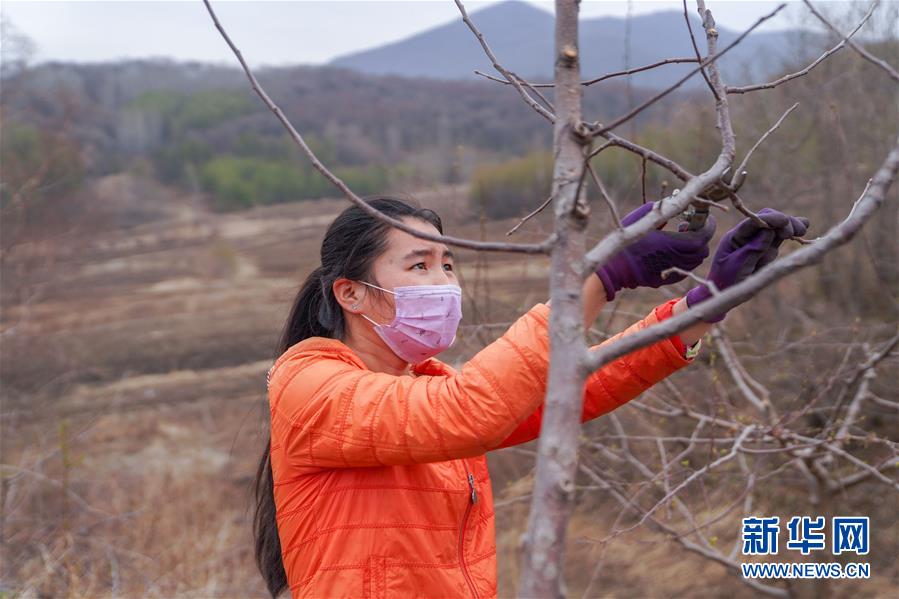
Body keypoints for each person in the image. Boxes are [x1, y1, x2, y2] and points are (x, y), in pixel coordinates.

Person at [253, 196, 808, 598]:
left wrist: (701, 307)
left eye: (448, 265)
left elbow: (575, 390)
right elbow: (467, 412)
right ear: (350, 292)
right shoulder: (308, 382)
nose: (444, 282)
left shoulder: (428, 384)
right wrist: (598, 278)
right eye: (418, 265)